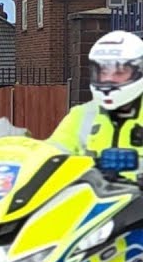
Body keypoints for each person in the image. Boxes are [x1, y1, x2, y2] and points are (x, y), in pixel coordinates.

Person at [47, 30, 143, 180]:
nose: (108, 79)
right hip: (89, 200)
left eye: (119, 72)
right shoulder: (82, 115)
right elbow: (51, 158)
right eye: (103, 72)